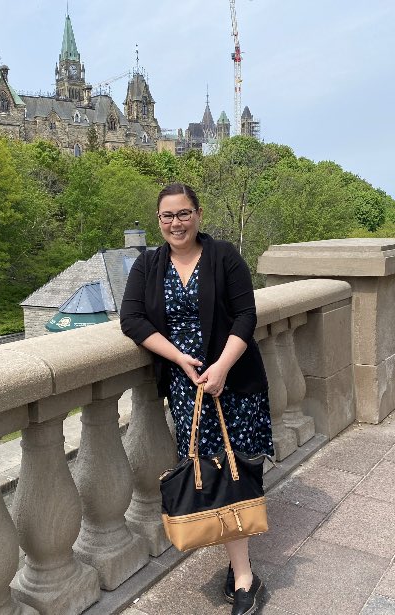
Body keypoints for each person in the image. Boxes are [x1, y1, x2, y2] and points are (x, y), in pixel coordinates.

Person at [121, 183, 273, 615]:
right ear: (158, 221)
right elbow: (131, 318)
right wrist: (180, 361)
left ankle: (243, 574)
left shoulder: (224, 256)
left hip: (235, 380)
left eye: (183, 214)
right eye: (167, 216)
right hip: (189, 389)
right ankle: (239, 563)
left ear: (198, 215)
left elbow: (246, 315)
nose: (176, 223)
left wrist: (222, 366)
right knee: (213, 470)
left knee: (236, 469)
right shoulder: (148, 265)